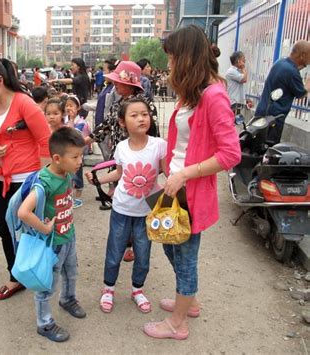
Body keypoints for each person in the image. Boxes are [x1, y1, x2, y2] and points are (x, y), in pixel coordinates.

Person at [142, 24, 241, 340]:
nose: (168, 64)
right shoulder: (194, 93)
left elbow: (230, 154)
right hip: (177, 186)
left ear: (185, 57)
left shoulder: (214, 96)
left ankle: (177, 324)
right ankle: (190, 301)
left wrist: (185, 173)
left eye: (172, 57)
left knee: (183, 257)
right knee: (173, 247)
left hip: (190, 190)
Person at [0, 57, 51, 300]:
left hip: (27, 180)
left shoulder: (24, 104)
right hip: (0, 180)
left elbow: (46, 141)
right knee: (6, 231)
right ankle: (15, 277)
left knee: (32, 230)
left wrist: (42, 180)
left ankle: (40, 272)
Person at [86, 97, 167, 314]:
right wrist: (98, 180)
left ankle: (137, 290)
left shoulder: (159, 145)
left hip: (146, 213)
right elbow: (120, 174)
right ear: (122, 122)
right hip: (121, 209)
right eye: (134, 115)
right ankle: (108, 288)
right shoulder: (121, 147)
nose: (141, 118)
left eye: (144, 114)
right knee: (114, 252)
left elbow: (169, 173)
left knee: (143, 254)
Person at [18, 126, 87, 343]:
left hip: (68, 236)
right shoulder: (45, 182)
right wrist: (45, 228)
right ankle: (45, 323)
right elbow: (23, 212)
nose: (80, 161)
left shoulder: (65, 173)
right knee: (47, 286)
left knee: (71, 272)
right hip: (53, 244)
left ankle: (68, 299)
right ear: (57, 158)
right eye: (75, 156)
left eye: (81, 155)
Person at [255, 40, 310, 143]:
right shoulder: (291, 72)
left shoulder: (280, 62)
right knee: (267, 149)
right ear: (303, 55)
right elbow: (301, 94)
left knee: (256, 146)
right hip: (273, 118)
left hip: (262, 111)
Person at [65, 95, 90, 208]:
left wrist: (70, 120)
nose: (68, 108)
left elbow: (71, 134)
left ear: (78, 108)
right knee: (68, 175)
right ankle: (69, 196)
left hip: (77, 153)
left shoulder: (81, 122)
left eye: (71, 105)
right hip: (66, 153)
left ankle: (78, 197)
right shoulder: (64, 119)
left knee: (77, 175)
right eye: (67, 105)